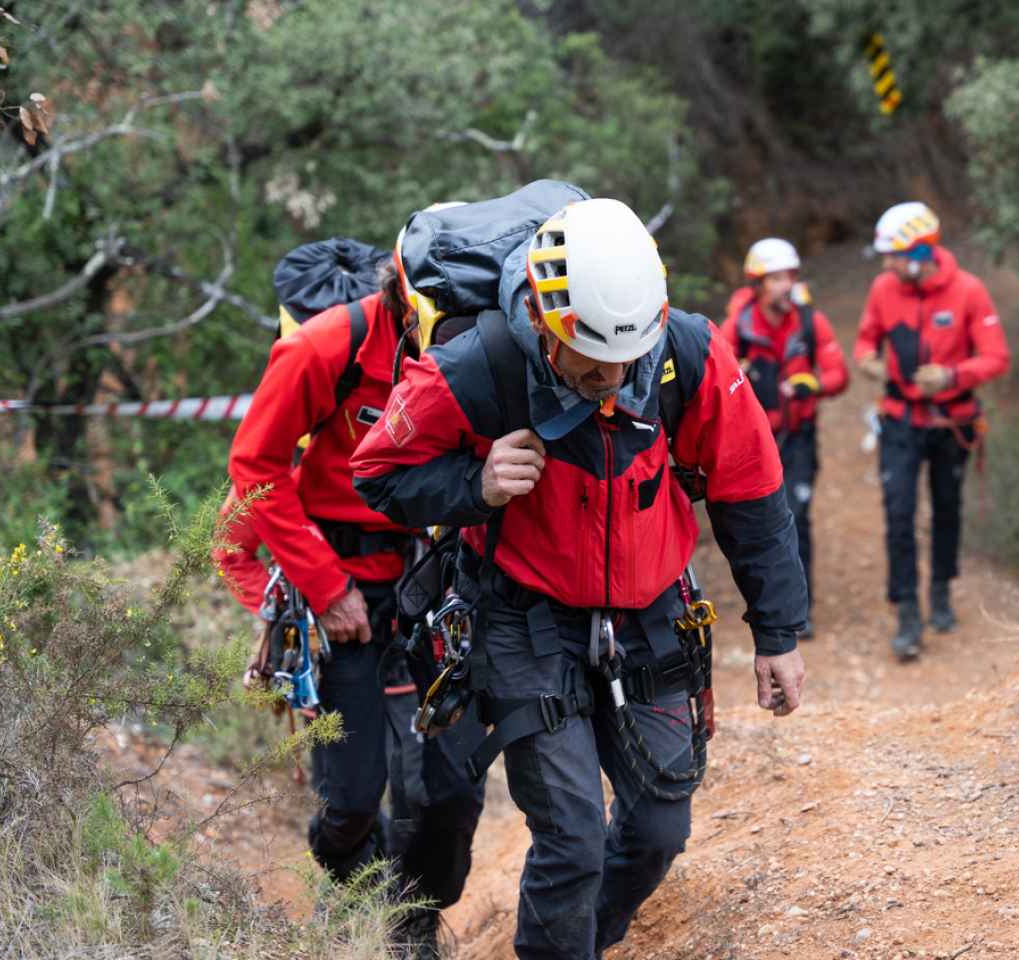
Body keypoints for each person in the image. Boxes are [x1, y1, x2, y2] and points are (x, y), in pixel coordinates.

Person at [351, 195, 808, 960]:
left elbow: (752, 490)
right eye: (589, 366)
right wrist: (478, 482)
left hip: (652, 613)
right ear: (543, 322)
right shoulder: (480, 364)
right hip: (523, 619)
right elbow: (378, 471)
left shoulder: (684, 355)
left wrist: (778, 633)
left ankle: (578, 944)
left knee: (661, 828)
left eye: (622, 364)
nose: (609, 382)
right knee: (571, 839)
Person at [218, 213, 486, 959]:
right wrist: (321, 587)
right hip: (346, 599)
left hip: (434, 588)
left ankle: (412, 924)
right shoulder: (324, 348)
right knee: (352, 799)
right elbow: (253, 473)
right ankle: (352, 885)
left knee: (450, 790)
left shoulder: (479, 344)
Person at [853, 201, 1010, 661]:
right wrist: (867, 361)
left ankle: (940, 591)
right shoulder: (884, 289)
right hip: (899, 421)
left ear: (921, 252)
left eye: (895, 254)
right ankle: (907, 614)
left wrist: (951, 376)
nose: (888, 264)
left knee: (946, 509)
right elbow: (866, 338)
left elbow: (996, 356)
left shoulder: (968, 291)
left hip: (950, 423)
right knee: (898, 514)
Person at [719, 238, 848, 637]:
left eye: (789, 276)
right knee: (757, 520)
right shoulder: (737, 328)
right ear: (757, 284)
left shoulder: (811, 322)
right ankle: (765, 607)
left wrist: (813, 384)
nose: (785, 285)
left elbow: (838, 374)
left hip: (798, 435)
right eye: (775, 278)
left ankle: (799, 608)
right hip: (756, 441)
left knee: (799, 516)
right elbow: (713, 375)